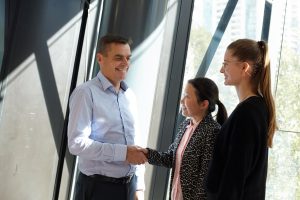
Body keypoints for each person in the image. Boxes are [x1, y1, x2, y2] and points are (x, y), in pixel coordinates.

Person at [67, 34, 147, 200]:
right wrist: (123, 153)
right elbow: (76, 144)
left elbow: (135, 140)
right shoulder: (85, 93)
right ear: (100, 58)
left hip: (129, 187)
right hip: (98, 189)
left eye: (128, 58)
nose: (125, 64)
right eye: (119, 58)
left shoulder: (129, 95)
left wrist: (139, 186)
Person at [205, 39, 277, 200]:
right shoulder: (256, 108)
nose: (221, 69)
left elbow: (235, 176)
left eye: (226, 63)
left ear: (244, 67)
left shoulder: (247, 113)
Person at [142, 77, 228, 200]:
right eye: (183, 95)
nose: (182, 100)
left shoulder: (212, 131)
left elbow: (206, 179)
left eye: (187, 96)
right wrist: (146, 154)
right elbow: (171, 158)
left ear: (204, 104)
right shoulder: (186, 125)